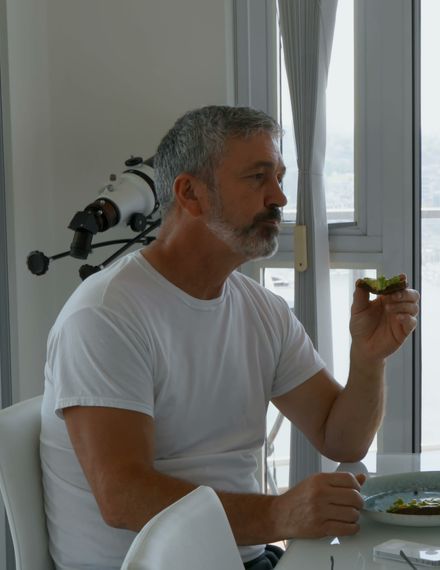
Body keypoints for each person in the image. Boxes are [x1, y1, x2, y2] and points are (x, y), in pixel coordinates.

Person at [38, 105, 419, 569]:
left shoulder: (262, 311)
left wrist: (368, 358)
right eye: (259, 178)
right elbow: (123, 497)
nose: (279, 196)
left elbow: (341, 440)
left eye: (279, 177)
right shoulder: (106, 317)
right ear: (191, 193)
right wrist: (279, 513)